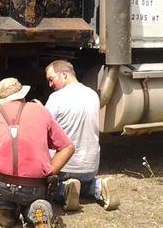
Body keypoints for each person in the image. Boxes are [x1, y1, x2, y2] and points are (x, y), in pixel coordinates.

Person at [0, 77, 75, 228]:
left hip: (0, 183)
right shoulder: (40, 111)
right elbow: (68, 147)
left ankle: (6, 211)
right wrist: (48, 174)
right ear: (23, 96)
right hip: (33, 186)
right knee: (33, 199)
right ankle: (37, 212)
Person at [45, 60, 120, 211]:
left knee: (43, 187)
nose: (50, 85)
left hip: (64, 168)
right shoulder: (93, 95)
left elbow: (42, 129)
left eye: (51, 79)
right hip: (90, 167)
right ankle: (98, 187)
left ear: (64, 75)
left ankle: (64, 190)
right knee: (85, 183)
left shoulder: (56, 98)